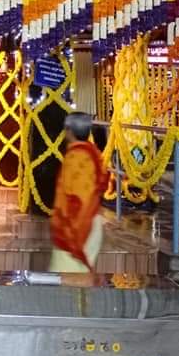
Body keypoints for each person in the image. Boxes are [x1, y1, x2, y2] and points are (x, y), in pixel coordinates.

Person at [48, 112, 108, 273]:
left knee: (69, 282)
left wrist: (71, 232)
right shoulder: (92, 153)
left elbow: (78, 198)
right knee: (79, 279)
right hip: (90, 222)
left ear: (69, 131)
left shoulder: (77, 157)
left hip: (77, 226)